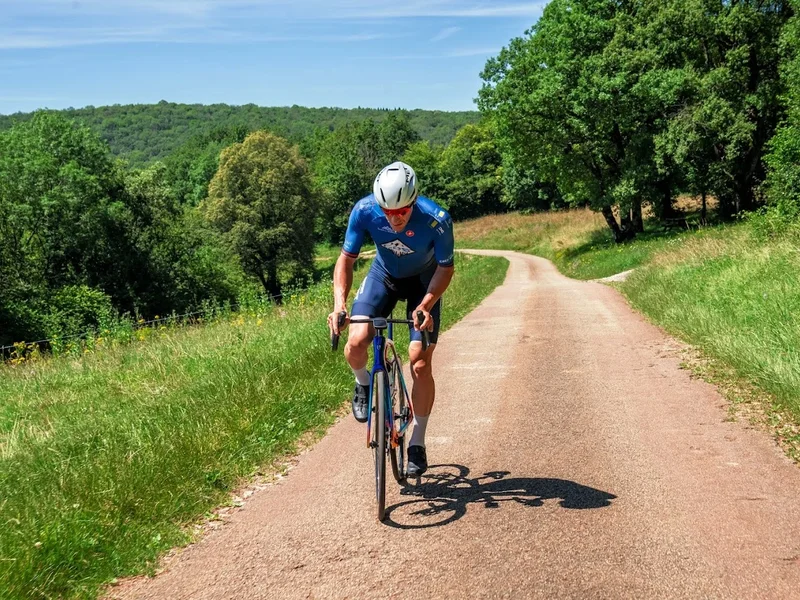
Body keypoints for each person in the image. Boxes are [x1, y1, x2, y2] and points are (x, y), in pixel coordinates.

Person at [327, 161, 455, 476]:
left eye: (402, 211)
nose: (394, 218)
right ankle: (363, 383)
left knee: (420, 362)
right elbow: (346, 259)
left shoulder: (437, 219)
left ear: (413, 202)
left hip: (424, 283)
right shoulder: (364, 211)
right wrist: (339, 305)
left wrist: (426, 304)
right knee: (356, 342)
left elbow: (445, 267)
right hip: (383, 276)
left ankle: (417, 443)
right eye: (387, 211)